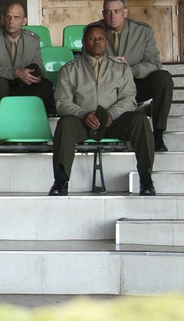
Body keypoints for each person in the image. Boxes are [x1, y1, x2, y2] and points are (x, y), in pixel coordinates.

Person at [50, 24, 155, 196]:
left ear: (107, 42)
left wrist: (112, 113)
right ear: (84, 42)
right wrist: (83, 114)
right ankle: (60, 182)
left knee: (140, 120)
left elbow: (129, 99)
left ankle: (146, 180)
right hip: (83, 123)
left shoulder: (121, 68)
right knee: (65, 123)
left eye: (100, 38)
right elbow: (62, 102)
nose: (96, 42)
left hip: (113, 121)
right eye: (91, 38)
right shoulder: (69, 69)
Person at [95, 0, 174, 151]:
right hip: (106, 87)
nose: (112, 16)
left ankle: (158, 135)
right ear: (103, 14)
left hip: (135, 83)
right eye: (108, 12)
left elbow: (154, 64)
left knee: (163, 78)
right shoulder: (94, 31)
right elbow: (85, 63)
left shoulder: (143, 31)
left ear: (125, 12)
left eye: (116, 11)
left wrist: (130, 70)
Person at [0, 3, 55, 137]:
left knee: (46, 85)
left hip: (20, 84)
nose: (11, 21)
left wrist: (33, 72)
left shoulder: (33, 39)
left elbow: (40, 67)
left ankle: (38, 131)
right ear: (2, 19)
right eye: (8, 16)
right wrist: (17, 73)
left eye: (16, 17)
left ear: (24, 21)